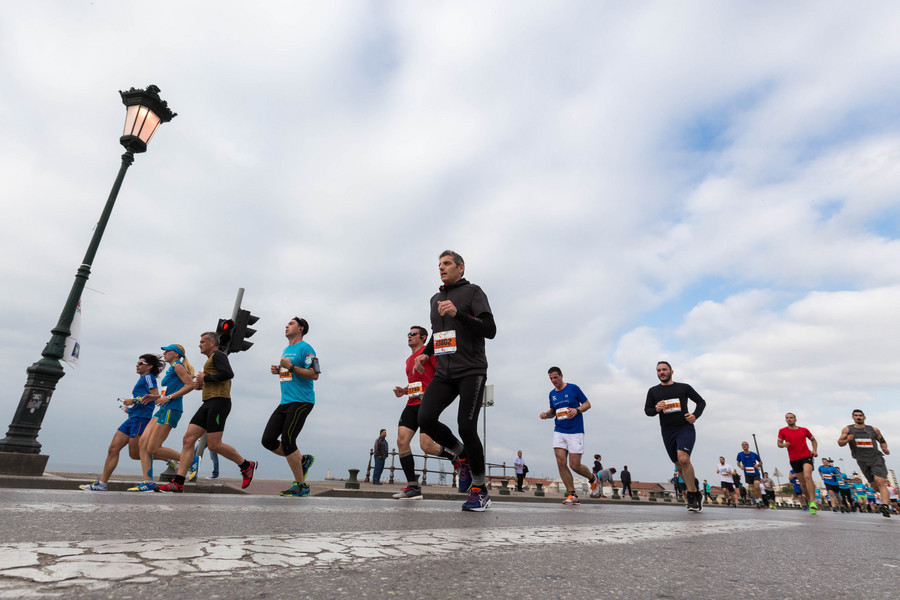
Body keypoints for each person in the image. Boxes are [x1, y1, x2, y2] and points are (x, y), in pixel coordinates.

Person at [414, 250, 496, 512]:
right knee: (424, 418)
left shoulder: (473, 292)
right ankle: (461, 454)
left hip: (471, 369)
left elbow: (490, 329)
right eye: (439, 264)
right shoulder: (435, 299)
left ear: (461, 268)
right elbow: (439, 334)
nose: (441, 268)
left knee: (466, 426)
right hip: (444, 372)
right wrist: (425, 354)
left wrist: (459, 313)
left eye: (447, 264)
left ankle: (479, 490)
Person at [155, 331, 257, 493]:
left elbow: (229, 374)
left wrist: (205, 379)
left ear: (211, 343)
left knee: (214, 445)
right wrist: (200, 385)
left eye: (202, 342)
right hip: (208, 402)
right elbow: (215, 379)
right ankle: (178, 482)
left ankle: (246, 465)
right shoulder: (210, 361)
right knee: (188, 439)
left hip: (219, 402)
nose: (199, 344)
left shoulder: (218, 356)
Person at [80, 354, 162, 491]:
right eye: (137, 362)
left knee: (136, 454)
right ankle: (102, 484)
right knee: (113, 449)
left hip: (141, 420)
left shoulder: (149, 377)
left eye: (141, 363)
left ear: (149, 366)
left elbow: (156, 396)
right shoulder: (142, 379)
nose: (137, 365)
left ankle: (172, 459)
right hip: (132, 418)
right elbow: (144, 399)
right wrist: (129, 407)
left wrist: (134, 401)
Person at [263, 317, 319, 497]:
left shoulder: (306, 348)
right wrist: (279, 370)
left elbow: (314, 374)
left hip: (302, 401)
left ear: (301, 329)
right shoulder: (286, 349)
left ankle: (301, 485)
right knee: (268, 440)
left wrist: (291, 367)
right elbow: (289, 373)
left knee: (288, 440)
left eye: (291, 323)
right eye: (287, 324)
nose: (286, 326)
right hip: (285, 402)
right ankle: (302, 460)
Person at [128, 345, 195, 492]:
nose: (164, 353)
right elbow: (167, 392)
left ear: (176, 354)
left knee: (152, 448)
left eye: (167, 351)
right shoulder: (172, 368)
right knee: (143, 444)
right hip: (163, 408)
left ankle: (190, 460)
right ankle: (148, 482)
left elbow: (190, 385)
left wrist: (169, 397)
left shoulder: (178, 366)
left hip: (172, 409)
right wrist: (156, 397)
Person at [644, 361, 706, 512]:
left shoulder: (683, 388)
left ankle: (691, 495)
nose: (661, 372)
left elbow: (701, 402)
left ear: (672, 371)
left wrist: (695, 415)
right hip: (667, 431)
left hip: (685, 427)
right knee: (679, 465)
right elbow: (647, 410)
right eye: (658, 370)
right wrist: (656, 409)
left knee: (684, 458)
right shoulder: (653, 391)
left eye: (664, 369)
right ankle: (696, 493)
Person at [391, 325, 440, 500]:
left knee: (427, 446)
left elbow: (439, 376)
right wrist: (404, 391)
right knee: (401, 441)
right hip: (411, 403)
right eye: (408, 334)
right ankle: (413, 487)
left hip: (427, 403)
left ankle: (455, 457)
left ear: (424, 338)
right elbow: (415, 383)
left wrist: (433, 393)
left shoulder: (430, 355)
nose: (409, 337)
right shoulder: (408, 360)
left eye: (413, 334)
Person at [539, 367, 601, 505]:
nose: (553, 381)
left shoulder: (573, 388)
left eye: (555, 377)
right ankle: (572, 494)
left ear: (561, 375)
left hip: (575, 431)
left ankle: (593, 478)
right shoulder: (552, 394)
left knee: (574, 465)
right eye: (550, 378)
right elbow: (553, 412)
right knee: (560, 461)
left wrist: (577, 410)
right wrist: (545, 415)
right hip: (559, 430)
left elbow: (587, 404)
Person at [838, 409, 892, 518]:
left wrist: (885, 448)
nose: (858, 417)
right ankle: (885, 499)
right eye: (856, 415)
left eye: (860, 415)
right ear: (853, 417)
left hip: (876, 458)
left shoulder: (873, 430)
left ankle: (885, 506)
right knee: (875, 487)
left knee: (880, 482)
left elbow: (882, 440)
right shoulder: (848, 429)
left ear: (864, 417)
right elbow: (840, 443)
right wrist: (847, 439)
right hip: (862, 460)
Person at [777, 412, 818, 514]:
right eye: (787, 418)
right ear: (785, 420)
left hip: (806, 456)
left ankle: (813, 501)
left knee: (807, 475)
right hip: (794, 459)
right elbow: (779, 443)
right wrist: (784, 444)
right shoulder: (782, 431)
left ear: (795, 419)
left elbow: (813, 440)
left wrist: (814, 450)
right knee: (803, 484)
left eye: (791, 417)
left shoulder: (804, 430)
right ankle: (810, 502)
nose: (789, 419)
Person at [736, 441, 764, 508]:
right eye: (743, 445)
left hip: (755, 473)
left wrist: (757, 465)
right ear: (742, 447)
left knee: (756, 486)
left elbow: (761, 462)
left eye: (745, 445)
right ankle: (757, 502)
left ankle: (761, 500)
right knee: (752, 489)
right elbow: (738, 462)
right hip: (747, 473)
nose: (744, 446)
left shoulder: (753, 454)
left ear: (748, 446)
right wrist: (740, 466)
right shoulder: (740, 454)